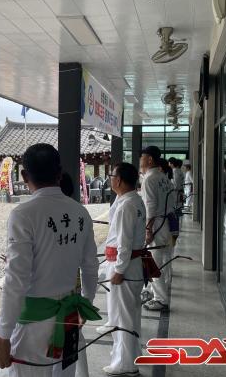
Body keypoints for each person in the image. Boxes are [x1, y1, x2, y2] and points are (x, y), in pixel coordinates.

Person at [0, 143, 100, 377]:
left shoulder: (23, 214)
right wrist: (86, 304)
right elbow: (91, 266)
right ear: (59, 173)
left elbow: (16, 279)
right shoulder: (80, 212)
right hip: (70, 317)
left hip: (33, 325)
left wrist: (3, 334)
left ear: (24, 176)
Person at [101, 163, 146, 377]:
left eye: (112, 175)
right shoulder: (132, 200)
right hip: (132, 266)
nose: (110, 178)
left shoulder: (127, 205)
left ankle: (125, 363)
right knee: (130, 315)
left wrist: (118, 270)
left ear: (118, 180)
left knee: (123, 317)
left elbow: (124, 243)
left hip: (126, 269)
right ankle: (130, 355)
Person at [140, 146, 176, 311]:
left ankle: (161, 299)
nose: (140, 160)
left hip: (157, 225)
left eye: (142, 157)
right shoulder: (163, 177)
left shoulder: (149, 179)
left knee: (153, 263)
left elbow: (150, 207)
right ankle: (156, 290)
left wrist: (148, 230)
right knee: (162, 260)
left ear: (149, 160)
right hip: (168, 223)